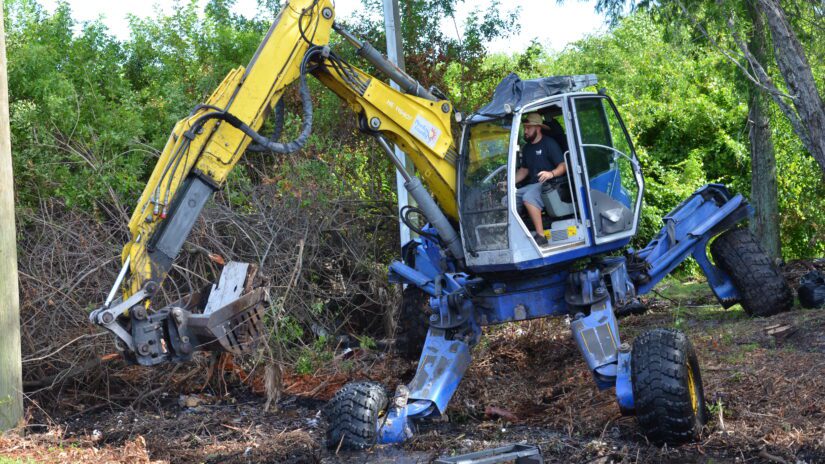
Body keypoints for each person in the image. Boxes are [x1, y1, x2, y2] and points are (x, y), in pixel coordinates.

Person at [513, 112, 567, 246]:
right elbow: (524, 170)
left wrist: (551, 173)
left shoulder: (549, 143)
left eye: (528, 128)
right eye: (524, 128)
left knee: (529, 197)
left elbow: (563, 165)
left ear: (538, 128)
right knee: (508, 199)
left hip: (550, 184)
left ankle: (541, 236)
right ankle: (517, 233)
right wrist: (509, 183)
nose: (525, 131)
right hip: (532, 184)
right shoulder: (527, 148)